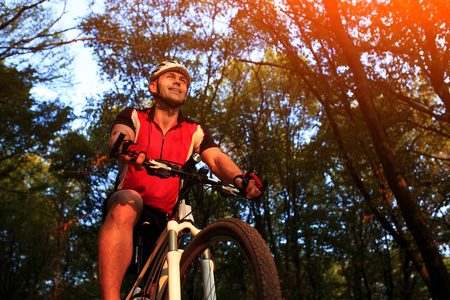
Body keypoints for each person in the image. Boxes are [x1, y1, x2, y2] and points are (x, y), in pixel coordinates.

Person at [98, 61, 263, 300]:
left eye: (183, 80)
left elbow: (215, 159)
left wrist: (240, 178)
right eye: (171, 77)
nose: (178, 82)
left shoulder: (194, 130)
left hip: (167, 219)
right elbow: (119, 136)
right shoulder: (135, 116)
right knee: (128, 200)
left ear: (185, 93)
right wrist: (127, 147)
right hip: (129, 208)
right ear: (153, 86)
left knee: (176, 252)